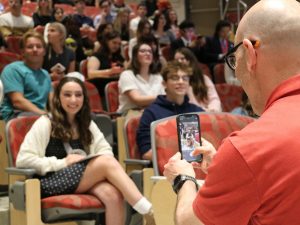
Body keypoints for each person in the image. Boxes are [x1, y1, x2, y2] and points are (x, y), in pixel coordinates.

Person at [163, 0, 300, 224]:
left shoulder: (249, 149)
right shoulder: (246, 158)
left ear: (250, 54)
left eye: (234, 60)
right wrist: (229, 169)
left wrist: (184, 179)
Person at [16, 76, 156, 225]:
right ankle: (148, 210)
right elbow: (23, 160)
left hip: (78, 179)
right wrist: (62, 162)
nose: (73, 100)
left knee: (113, 195)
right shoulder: (45, 122)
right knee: (106, 161)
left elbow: (105, 150)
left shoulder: (86, 123)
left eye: (78, 95)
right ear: (57, 98)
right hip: (50, 181)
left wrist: (89, 164)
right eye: (67, 95)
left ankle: (144, 209)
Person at [136, 61, 203, 160]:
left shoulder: (197, 111)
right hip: (167, 169)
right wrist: (182, 157)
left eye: (185, 78)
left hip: (198, 165)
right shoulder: (151, 113)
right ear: (164, 83)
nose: (181, 82)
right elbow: (147, 153)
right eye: (174, 78)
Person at [0, 31, 53, 121]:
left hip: (40, 116)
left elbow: (52, 102)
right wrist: (45, 115)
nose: (35, 49)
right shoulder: (13, 69)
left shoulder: (45, 74)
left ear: (44, 51)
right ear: (23, 52)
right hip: (16, 116)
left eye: (39, 46)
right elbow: (18, 102)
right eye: (30, 47)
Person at [118, 43, 165, 114]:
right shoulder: (127, 75)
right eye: (143, 51)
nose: (148, 54)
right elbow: (137, 100)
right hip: (131, 114)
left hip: (154, 111)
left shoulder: (158, 77)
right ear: (135, 56)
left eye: (150, 52)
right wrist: (165, 98)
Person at [174, 48, 222, 112]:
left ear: (190, 60)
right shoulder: (175, 82)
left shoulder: (204, 78)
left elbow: (214, 99)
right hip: (191, 116)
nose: (179, 62)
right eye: (176, 60)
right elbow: (188, 105)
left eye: (182, 59)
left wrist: (212, 110)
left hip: (209, 113)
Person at [87, 30, 124, 97]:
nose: (117, 46)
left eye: (119, 44)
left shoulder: (118, 57)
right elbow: (91, 74)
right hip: (101, 90)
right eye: (114, 43)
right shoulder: (97, 56)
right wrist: (110, 71)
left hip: (118, 89)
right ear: (106, 42)